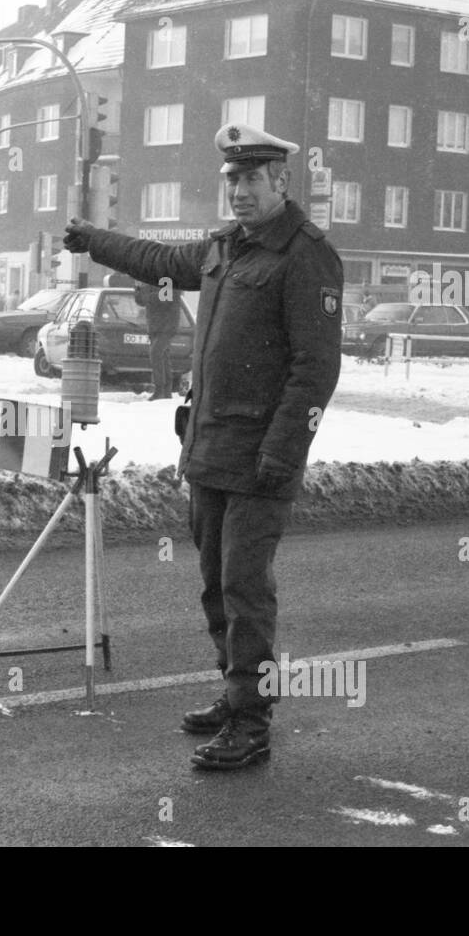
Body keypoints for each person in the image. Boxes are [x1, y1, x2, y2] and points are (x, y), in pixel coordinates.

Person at [62, 123, 342, 772]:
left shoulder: (306, 255)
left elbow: (315, 368)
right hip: (210, 450)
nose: (239, 191)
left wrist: (282, 454)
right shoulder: (224, 249)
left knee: (246, 587)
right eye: (231, 180)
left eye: (251, 179)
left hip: (259, 460)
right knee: (215, 584)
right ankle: (235, 689)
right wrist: (93, 240)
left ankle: (252, 720)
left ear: (280, 181)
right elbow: (159, 261)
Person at [134, 280, 181, 401]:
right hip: (154, 325)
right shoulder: (150, 279)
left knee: (156, 353)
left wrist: (146, 294)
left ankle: (160, 390)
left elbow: (165, 299)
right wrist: (138, 288)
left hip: (167, 325)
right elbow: (140, 301)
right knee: (163, 356)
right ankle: (166, 391)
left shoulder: (168, 278)